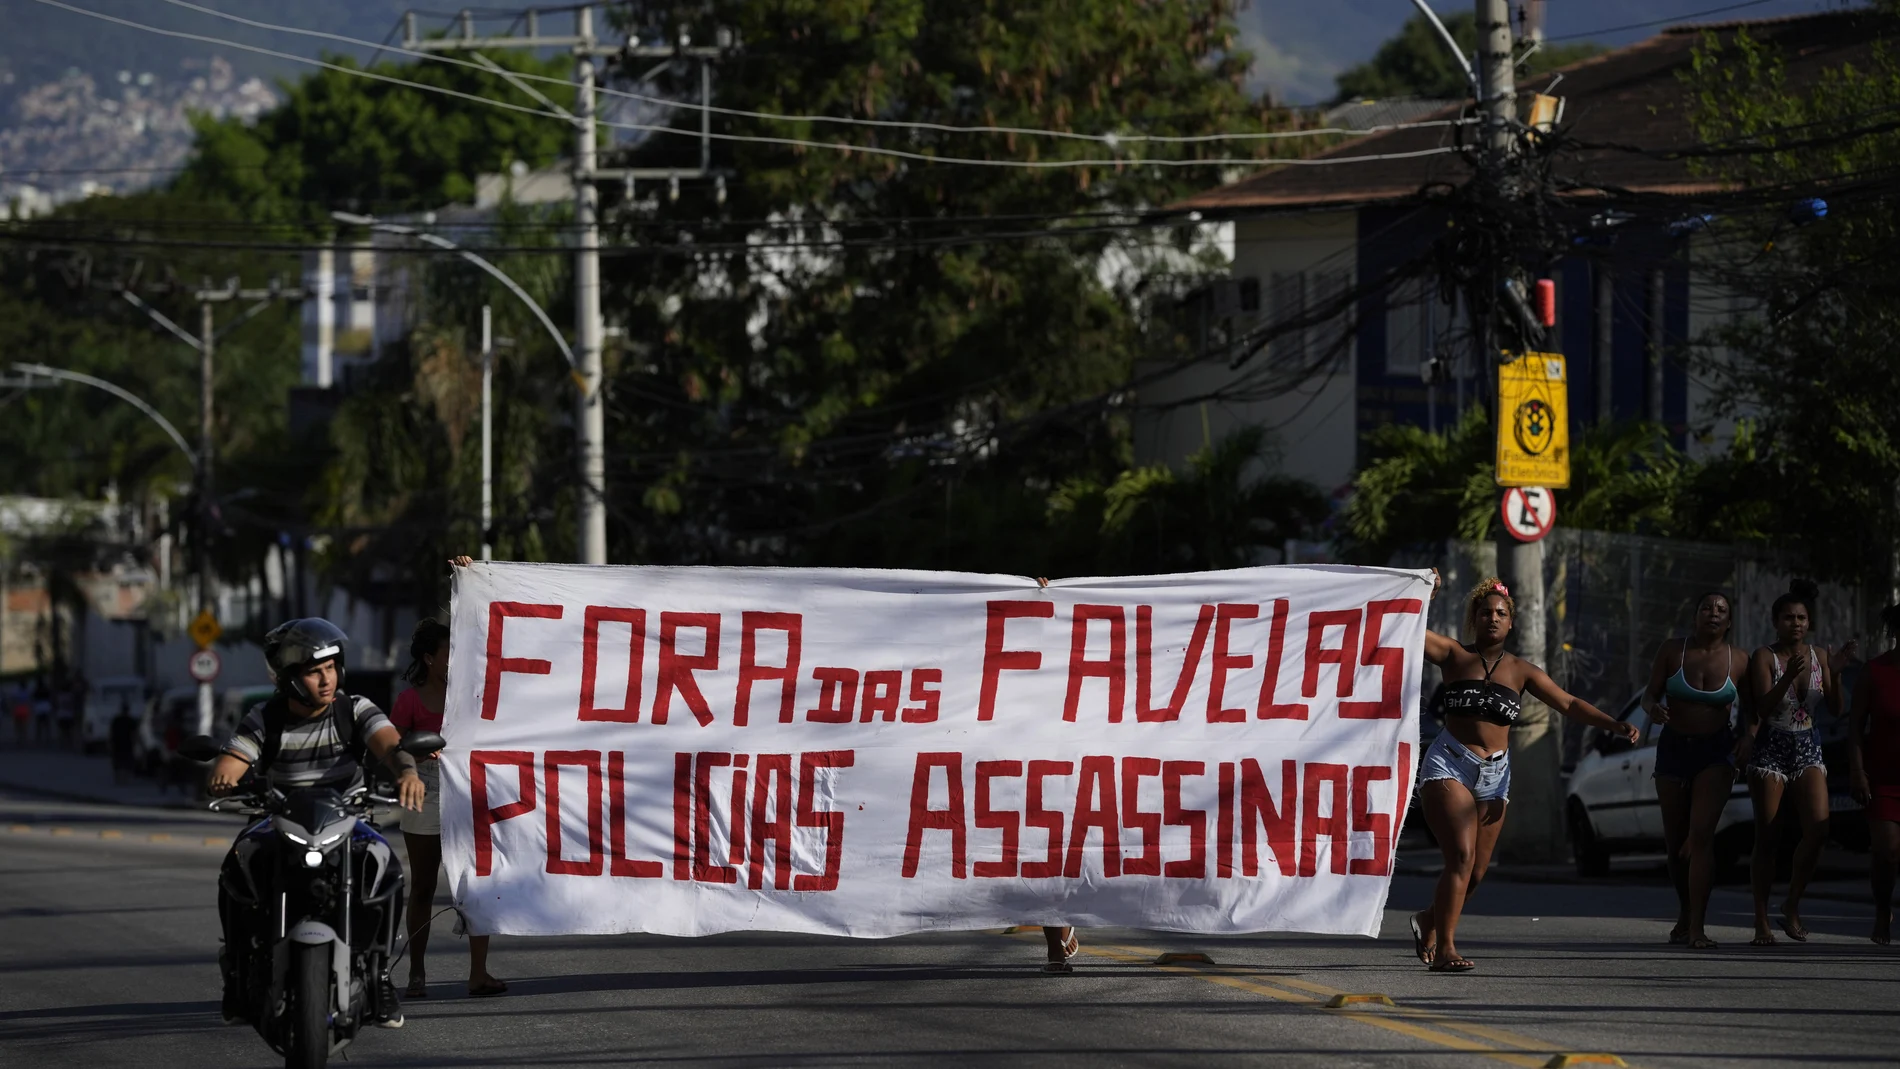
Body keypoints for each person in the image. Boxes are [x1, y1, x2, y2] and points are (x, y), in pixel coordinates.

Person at [1410, 576, 1638, 972]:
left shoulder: (1522, 671)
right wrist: (1423, 595)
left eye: (1500, 614)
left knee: (1477, 872)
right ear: (1474, 619)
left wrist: (1614, 724)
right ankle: (1445, 948)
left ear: (1511, 623)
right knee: (1460, 857)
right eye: (1485, 613)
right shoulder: (1452, 655)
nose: (1493, 619)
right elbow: (1407, 629)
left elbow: (1568, 702)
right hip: (1449, 763)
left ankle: (1428, 918)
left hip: (1495, 774)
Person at [206, 617, 426, 1028]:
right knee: (235, 868)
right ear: (289, 678)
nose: (326, 680)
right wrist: (224, 775)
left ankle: (379, 977)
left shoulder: (354, 709)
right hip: (278, 823)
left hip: (347, 820)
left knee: (387, 867)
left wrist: (407, 773)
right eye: (313, 672)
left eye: (330, 668)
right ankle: (236, 975)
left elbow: (391, 745)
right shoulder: (264, 718)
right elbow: (233, 759)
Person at [391, 612, 506, 999]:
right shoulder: (409, 700)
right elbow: (391, 747)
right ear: (429, 658)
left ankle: (478, 973)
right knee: (423, 886)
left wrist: (469, 574)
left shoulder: (472, 692)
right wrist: (416, 758)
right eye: (448, 652)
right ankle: (417, 973)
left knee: (477, 884)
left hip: (469, 794)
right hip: (425, 795)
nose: (455, 658)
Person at [1640, 592, 1751, 949]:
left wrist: (1748, 736)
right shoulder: (1673, 650)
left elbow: (1754, 709)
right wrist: (1653, 709)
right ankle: (1685, 912)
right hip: (1673, 750)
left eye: (1721, 610)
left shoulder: (1740, 660)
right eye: (1706, 608)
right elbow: (1648, 695)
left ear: (1729, 621)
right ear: (1695, 615)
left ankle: (1699, 926)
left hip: (1716, 752)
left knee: (1701, 836)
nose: (1713, 614)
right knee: (1676, 845)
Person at [1742, 579, 1840, 946]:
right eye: (1788, 618)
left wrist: (1838, 672)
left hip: (1808, 746)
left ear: (1809, 622)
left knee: (1819, 829)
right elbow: (1763, 709)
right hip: (1771, 749)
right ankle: (1761, 920)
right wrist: (1785, 678)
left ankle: (1792, 904)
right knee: (1768, 837)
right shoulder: (1764, 656)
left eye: (1801, 618)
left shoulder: (1820, 657)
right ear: (1776, 622)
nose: (1795, 624)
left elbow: (1835, 709)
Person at [1847, 603, 1900, 945]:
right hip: (1883, 776)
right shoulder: (1874, 670)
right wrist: (1857, 770)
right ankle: (1883, 910)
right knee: (1886, 851)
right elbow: (1854, 726)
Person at [109, 696, 138, 786]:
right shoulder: (131, 720)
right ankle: (125, 780)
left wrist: (109, 743)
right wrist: (135, 743)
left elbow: (111, 732)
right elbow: (134, 734)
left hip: (117, 743)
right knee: (127, 762)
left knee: (117, 762)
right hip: (127, 743)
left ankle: (118, 780)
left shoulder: (116, 720)